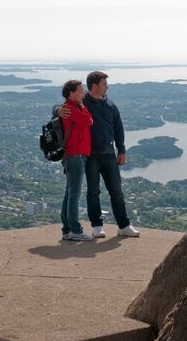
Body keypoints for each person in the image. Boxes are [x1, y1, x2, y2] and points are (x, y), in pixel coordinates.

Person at [59, 71, 140, 238]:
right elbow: (64, 108)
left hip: (109, 153)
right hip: (91, 155)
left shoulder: (110, 105)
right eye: (104, 84)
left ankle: (124, 225)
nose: (107, 87)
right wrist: (57, 110)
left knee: (116, 190)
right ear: (94, 86)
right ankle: (97, 226)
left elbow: (118, 128)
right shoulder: (82, 103)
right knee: (93, 192)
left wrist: (122, 150)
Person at [59, 80, 93, 242]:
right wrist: (82, 108)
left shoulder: (75, 107)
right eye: (80, 91)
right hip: (75, 156)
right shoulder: (69, 109)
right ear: (71, 93)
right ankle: (75, 230)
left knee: (69, 193)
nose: (83, 93)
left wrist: (82, 107)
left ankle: (66, 229)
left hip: (75, 155)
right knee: (74, 194)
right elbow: (88, 121)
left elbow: (87, 119)